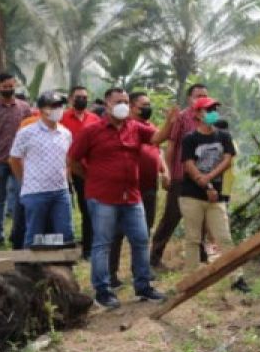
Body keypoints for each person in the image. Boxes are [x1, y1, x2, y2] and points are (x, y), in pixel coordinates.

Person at [68, 88, 169, 308]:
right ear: (107, 104)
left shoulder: (135, 128)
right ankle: (103, 291)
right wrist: (91, 177)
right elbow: (73, 160)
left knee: (141, 240)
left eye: (125, 101)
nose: (122, 105)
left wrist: (171, 120)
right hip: (103, 197)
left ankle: (143, 286)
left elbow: (158, 138)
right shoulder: (91, 131)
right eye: (118, 101)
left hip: (132, 197)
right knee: (103, 243)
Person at [180, 99, 247, 291]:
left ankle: (237, 278)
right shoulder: (190, 139)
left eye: (215, 108)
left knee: (224, 237)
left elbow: (227, 160)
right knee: (193, 238)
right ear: (198, 113)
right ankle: (191, 281)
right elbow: (188, 164)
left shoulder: (224, 136)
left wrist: (209, 179)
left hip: (215, 196)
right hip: (192, 195)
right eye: (209, 109)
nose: (213, 112)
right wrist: (205, 183)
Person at [108, 91, 167, 287]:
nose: (147, 108)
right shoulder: (128, 128)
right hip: (127, 188)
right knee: (117, 232)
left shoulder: (151, 128)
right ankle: (111, 273)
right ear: (131, 107)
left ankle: (139, 270)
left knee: (144, 231)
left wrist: (164, 171)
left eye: (148, 104)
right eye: (143, 105)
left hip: (150, 187)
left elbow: (158, 151)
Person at [149, 83, 210, 268]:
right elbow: (172, 146)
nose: (201, 99)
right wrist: (168, 172)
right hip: (181, 176)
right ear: (189, 99)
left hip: (202, 176)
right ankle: (155, 256)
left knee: (201, 216)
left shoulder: (211, 117)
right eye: (197, 95)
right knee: (172, 216)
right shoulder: (182, 118)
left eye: (204, 95)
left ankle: (201, 254)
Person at [9, 92, 75, 248]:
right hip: (35, 192)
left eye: (60, 105)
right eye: (53, 106)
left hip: (60, 191)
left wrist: (66, 177)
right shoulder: (27, 133)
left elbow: (68, 159)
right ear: (41, 109)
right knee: (34, 236)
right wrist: (25, 180)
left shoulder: (65, 133)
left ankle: (61, 269)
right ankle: (30, 271)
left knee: (65, 235)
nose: (58, 109)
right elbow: (14, 159)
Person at [0, 73, 32, 246]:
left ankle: (17, 234)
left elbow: (31, 132)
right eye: (4, 86)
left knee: (19, 199)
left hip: (19, 161)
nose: (8, 89)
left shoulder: (24, 107)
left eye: (11, 86)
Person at [63, 86, 101, 260]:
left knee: (89, 209)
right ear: (71, 99)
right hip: (68, 169)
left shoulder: (94, 119)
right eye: (78, 97)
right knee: (67, 209)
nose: (82, 100)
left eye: (85, 97)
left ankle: (89, 248)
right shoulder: (63, 118)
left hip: (90, 170)